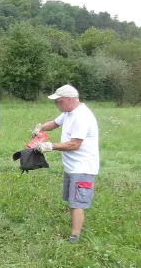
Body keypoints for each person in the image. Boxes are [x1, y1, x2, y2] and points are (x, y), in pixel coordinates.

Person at [32, 84, 99, 244]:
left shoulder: (82, 116)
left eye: (58, 102)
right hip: (72, 166)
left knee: (77, 203)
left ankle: (74, 237)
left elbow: (75, 144)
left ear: (69, 100)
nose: (57, 105)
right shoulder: (68, 112)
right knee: (72, 199)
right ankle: (75, 229)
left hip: (83, 166)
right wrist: (40, 127)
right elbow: (55, 123)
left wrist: (50, 146)